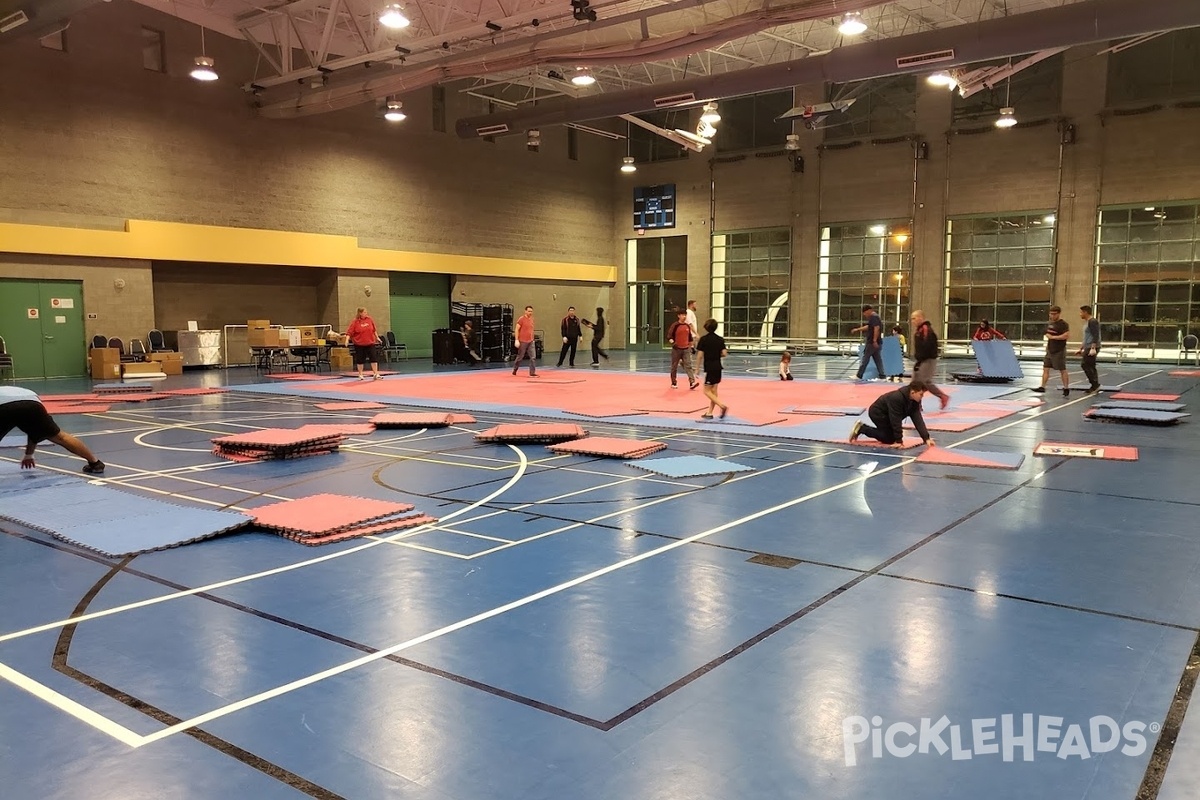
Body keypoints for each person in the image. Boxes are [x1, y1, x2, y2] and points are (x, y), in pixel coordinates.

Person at [1, 386, 105, 474]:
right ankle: (95, 463)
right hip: (32, 403)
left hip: (5, 406)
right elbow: (34, 431)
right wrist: (29, 454)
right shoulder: (14, 390)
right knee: (61, 437)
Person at [849, 380, 936, 449]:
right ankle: (862, 428)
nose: (922, 396)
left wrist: (926, 438)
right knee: (889, 439)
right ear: (913, 392)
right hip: (878, 413)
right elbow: (895, 420)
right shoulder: (897, 398)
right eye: (921, 394)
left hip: (888, 415)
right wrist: (899, 441)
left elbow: (918, 419)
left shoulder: (914, 401)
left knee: (891, 436)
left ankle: (863, 428)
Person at [910, 310, 950, 409]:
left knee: (925, 381)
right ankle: (917, 404)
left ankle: (942, 396)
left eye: (914, 318)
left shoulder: (925, 329)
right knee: (914, 382)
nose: (912, 321)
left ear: (920, 318)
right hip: (921, 359)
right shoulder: (919, 330)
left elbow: (928, 345)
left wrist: (922, 357)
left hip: (928, 359)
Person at [695, 318, 729, 419]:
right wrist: (716, 354)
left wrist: (697, 369)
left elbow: (700, 355)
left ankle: (722, 406)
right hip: (718, 367)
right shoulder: (720, 339)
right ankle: (709, 412)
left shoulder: (703, 339)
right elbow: (724, 354)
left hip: (709, 368)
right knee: (714, 392)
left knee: (706, 391)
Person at [1033, 306, 1070, 396]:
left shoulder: (1063, 324)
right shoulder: (1050, 324)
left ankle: (1066, 388)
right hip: (1050, 349)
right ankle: (1042, 387)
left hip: (1059, 350)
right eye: (1051, 314)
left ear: (1058, 314)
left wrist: (1054, 337)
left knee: (1062, 369)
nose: (1052, 316)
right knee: (1045, 368)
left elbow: (1066, 335)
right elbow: (1046, 332)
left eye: (1054, 314)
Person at [850, 304, 884, 381]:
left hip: (872, 342)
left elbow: (876, 328)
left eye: (865, 313)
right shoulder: (875, 317)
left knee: (865, 359)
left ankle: (859, 375)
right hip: (876, 342)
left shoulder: (874, 317)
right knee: (877, 359)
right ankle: (882, 376)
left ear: (868, 310)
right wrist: (858, 329)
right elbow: (869, 327)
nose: (865, 315)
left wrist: (874, 340)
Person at [346, 306, 381, 380]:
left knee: (373, 358)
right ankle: (360, 374)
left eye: (366, 312)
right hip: (359, 344)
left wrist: (377, 337)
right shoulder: (355, 322)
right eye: (364, 312)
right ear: (360, 313)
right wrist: (346, 340)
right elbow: (349, 332)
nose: (366, 313)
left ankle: (375, 373)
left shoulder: (369, 320)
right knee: (360, 359)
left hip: (370, 343)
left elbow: (374, 330)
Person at [667, 309, 698, 389]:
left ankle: (692, 382)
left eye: (685, 315)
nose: (684, 317)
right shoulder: (675, 325)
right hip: (676, 349)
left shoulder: (687, 326)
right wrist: (673, 343)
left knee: (688, 365)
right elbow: (669, 336)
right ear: (678, 316)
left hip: (686, 349)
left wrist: (691, 347)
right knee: (674, 366)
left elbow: (690, 338)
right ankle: (674, 382)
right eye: (682, 315)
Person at [1078, 305, 1101, 393]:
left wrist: (1093, 347)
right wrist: (1081, 348)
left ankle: (1095, 384)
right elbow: (1087, 336)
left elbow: (1095, 334)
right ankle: (1095, 385)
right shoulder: (1087, 322)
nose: (1080, 314)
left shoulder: (1092, 321)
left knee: (1085, 364)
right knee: (1091, 366)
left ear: (1085, 312)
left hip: (1092, 347)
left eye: (1081, 312)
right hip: (1087, 346)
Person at [512, 305, 538, 377]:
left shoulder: (532, 319)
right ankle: (515, 369)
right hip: (523, 341)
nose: (530, 313)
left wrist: (532, 338)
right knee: (520, 356)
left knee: (533, 357)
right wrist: (516, 340)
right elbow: (517, 329)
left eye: (531, 311)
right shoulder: (521, 319)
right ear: (525, 311)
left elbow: (531, 330)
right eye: (529, 311)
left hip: (531, 341)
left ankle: (532, 372)